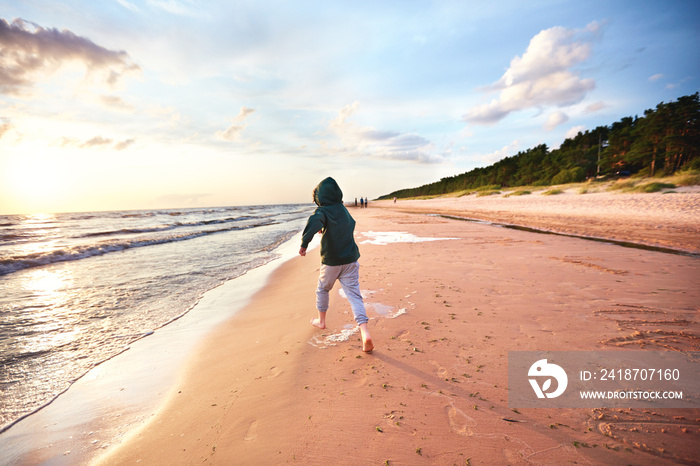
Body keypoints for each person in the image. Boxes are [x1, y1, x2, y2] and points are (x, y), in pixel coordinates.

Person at [299, 177, 373, 353]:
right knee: (355, 295)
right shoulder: (343, 210)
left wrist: (304, 244)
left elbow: (313, 223)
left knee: (323, 289)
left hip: (332, 262)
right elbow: (350, 224)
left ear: (320, 198)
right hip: (350, 260)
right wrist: (327, 227)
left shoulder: (322, 211)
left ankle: (321, 321)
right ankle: (365, 333)